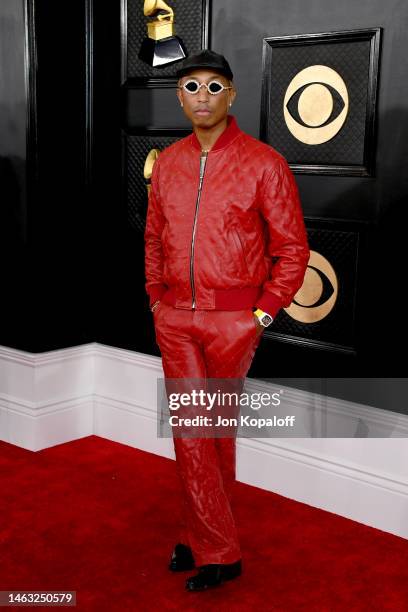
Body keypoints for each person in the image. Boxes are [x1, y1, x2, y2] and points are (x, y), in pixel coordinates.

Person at [144, 49, 310, 591]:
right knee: (195, 434)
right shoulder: (167, 162)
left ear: (232, 95)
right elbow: (153, 238)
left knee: (211, 433)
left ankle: (207, 541)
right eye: (191, 87)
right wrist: (155, 299)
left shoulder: (265, 163)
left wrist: (261, 313)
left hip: (234, 318)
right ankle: (214, 545)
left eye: (214, 87)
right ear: (180, 96)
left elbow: (292, 250)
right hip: (175, 316)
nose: (203, 97)